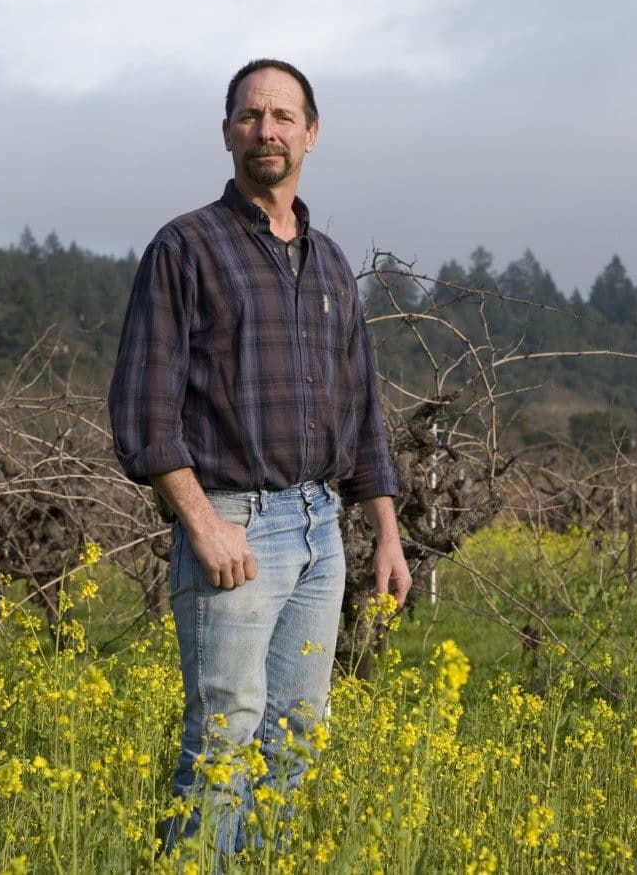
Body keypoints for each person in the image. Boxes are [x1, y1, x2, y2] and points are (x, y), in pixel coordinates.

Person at [108, 58, 412, 856]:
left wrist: (384, 528)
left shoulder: (332, 263)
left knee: (296, 742)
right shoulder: (186, 247)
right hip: (235, 525)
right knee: (223, 742)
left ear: (311, 135)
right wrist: (203, 522)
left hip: (321, 526)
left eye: (283, 116)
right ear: (227, 135)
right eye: (250, 116)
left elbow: (363, 408)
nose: (266, 130)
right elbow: (144, 406)